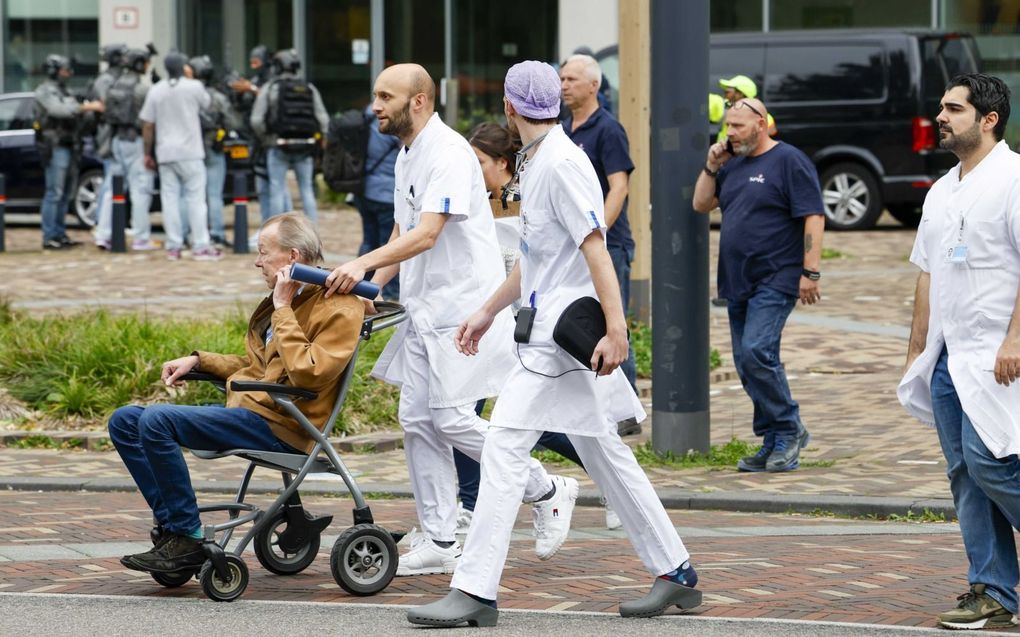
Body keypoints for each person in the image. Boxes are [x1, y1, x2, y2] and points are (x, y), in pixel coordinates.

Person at [408, 61, 701, 628]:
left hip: (559, 343)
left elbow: (595, 246)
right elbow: (541, 259)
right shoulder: (544, 160)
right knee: (606, 456)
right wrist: (487, 310)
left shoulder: (561, 164)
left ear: (510, 107)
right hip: (554, 338)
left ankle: (474, 590)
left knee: (503, 450)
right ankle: (676, 572)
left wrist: (618, 329)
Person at [323, 63, 576, 578]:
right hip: (424, 310)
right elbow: (403, 228)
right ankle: (440, 538)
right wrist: (378, 284)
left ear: (417, 101)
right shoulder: (407, 155)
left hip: (461, 310)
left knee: (454, 418)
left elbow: (429, 233)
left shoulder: (450, 154)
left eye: (384, 96)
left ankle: (546, 488)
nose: (375, 105)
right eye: (375, 95)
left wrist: (362, 264)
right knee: (417, 420)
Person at [109, 212, 365, 575]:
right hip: (254, 413)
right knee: (125, 420)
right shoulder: (293, 300)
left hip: (285, 425)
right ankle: (173, 531)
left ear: (292, 257)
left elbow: (309, 372)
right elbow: (261, 367)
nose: (257, 261)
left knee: (157, 419)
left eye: (264, 252)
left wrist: (281, 308)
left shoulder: (338, 304)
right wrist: (199, 361)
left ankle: (187, 536)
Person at [898, 73, 1020, 631]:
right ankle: (994, 589)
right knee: (964, 473)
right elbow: (929, 272)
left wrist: (1016, 339)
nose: (940, 116)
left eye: (953, 108)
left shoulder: (1014, 179)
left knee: (991, 463)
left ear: (988, 118)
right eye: (942, 107)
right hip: (949, 358)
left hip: (999, 353)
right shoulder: (943, 189)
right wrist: (917, 349)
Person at [460, 121, 622, 532]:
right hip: (504, 320)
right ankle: (469, 504)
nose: (472, 171)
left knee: (521, 423)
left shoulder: (535, 188)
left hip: (535, 321)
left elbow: (581, 250)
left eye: (478, 162)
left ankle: (594, 488)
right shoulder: (481, 201)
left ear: (502, 161)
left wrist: (616, 326)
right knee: (470, 412)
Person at [692, 97, 820, 472]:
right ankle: (773, 438)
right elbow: (701, 204)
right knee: (747, 364)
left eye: (738, 126)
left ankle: (788, 429)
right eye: (728, 125)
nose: (730, 132)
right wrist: (711, 165)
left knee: (756, 352)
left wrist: (810, 271)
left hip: (777, 275)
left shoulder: (789, 161)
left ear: (761, 124)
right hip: (737, 279)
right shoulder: (730, 164)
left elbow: (813, 215)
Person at [559, 53, 641, 437]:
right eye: (562, 79)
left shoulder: (608, 129)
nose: (564, 85)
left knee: (614, 321)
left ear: (594, 85)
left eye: (572, 79)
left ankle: (626, 411)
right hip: (576, 246)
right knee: (585, 322)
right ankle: (594, 406)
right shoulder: (562, 129)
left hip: (608, 245)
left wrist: (597, 232)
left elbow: (620, 186)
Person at [139, 51, 221, 261]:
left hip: (166, 152)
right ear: (185, 67)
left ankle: (174, 245)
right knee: (196, 199)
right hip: (191, 151)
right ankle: (200, 244)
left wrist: (147, 152)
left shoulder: (157, 90)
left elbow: (148, 124)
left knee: (170, 199)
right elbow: (208, 104)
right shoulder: (194, 87)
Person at [33, 54, 104, 250]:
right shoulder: (44, 91)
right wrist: (85, 106)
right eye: (65, 70)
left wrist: (92, 112)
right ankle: (49, 236)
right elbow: (58, 110)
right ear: (54, 71)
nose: (68, 73)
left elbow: (78, 116)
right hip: (55, 146)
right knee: (54, 192)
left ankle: (60, 232)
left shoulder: (67, 91)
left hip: (71, 145)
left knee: (66, 194)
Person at [251, 49, 328, 224]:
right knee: (306, 190)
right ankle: (312, 232)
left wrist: (266, 139)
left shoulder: (271, 88)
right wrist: (323, 139)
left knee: (277, 189)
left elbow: (256, 120)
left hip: (278, 145)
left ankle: (277, 234)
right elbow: (323, 118)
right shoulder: (309, 88)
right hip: (305, 145)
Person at [94, 47, 157, 251]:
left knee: (112, 190)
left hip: (116, 141)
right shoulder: (142, 89)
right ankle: (141, 237)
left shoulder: (114, 85)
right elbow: (148, 120)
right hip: (136, 141)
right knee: (140, 190)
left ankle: (104, 234)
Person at [189, 54, 243, 246]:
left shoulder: (188, 95)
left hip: (192, 148)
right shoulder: (218, 97)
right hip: (214, 147)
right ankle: (217, 233)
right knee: (214, 194)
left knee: (192, 194)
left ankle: (192, 233)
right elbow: (233, 122)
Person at [354, 105, 401, 300]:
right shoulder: (395, 120)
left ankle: (361, 285)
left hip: (364, 189)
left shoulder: (367, 114)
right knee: (388, 244)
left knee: (368, 240)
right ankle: (388, 292)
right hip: (386, 192)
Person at [717, 75, 777, 141]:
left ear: (740, 93)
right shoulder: (729, 112)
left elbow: (771, 133)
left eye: (727, 92)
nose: (725, 96)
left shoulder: (763, 117)